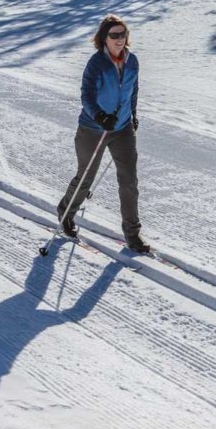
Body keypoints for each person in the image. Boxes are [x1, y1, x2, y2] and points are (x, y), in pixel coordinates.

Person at [57, 14, 149, 254]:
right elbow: (86, 95)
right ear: (104, 39)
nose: (120, 39)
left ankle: (132, 234)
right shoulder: (96, 63)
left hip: (122, 128)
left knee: (129, 180)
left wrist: (133, 114)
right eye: (114, 35)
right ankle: (66, 211)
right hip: (93, 128)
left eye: (123, 34)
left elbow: (133, 90)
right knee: (85, 177)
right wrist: (99, 116)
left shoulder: (132, 61)